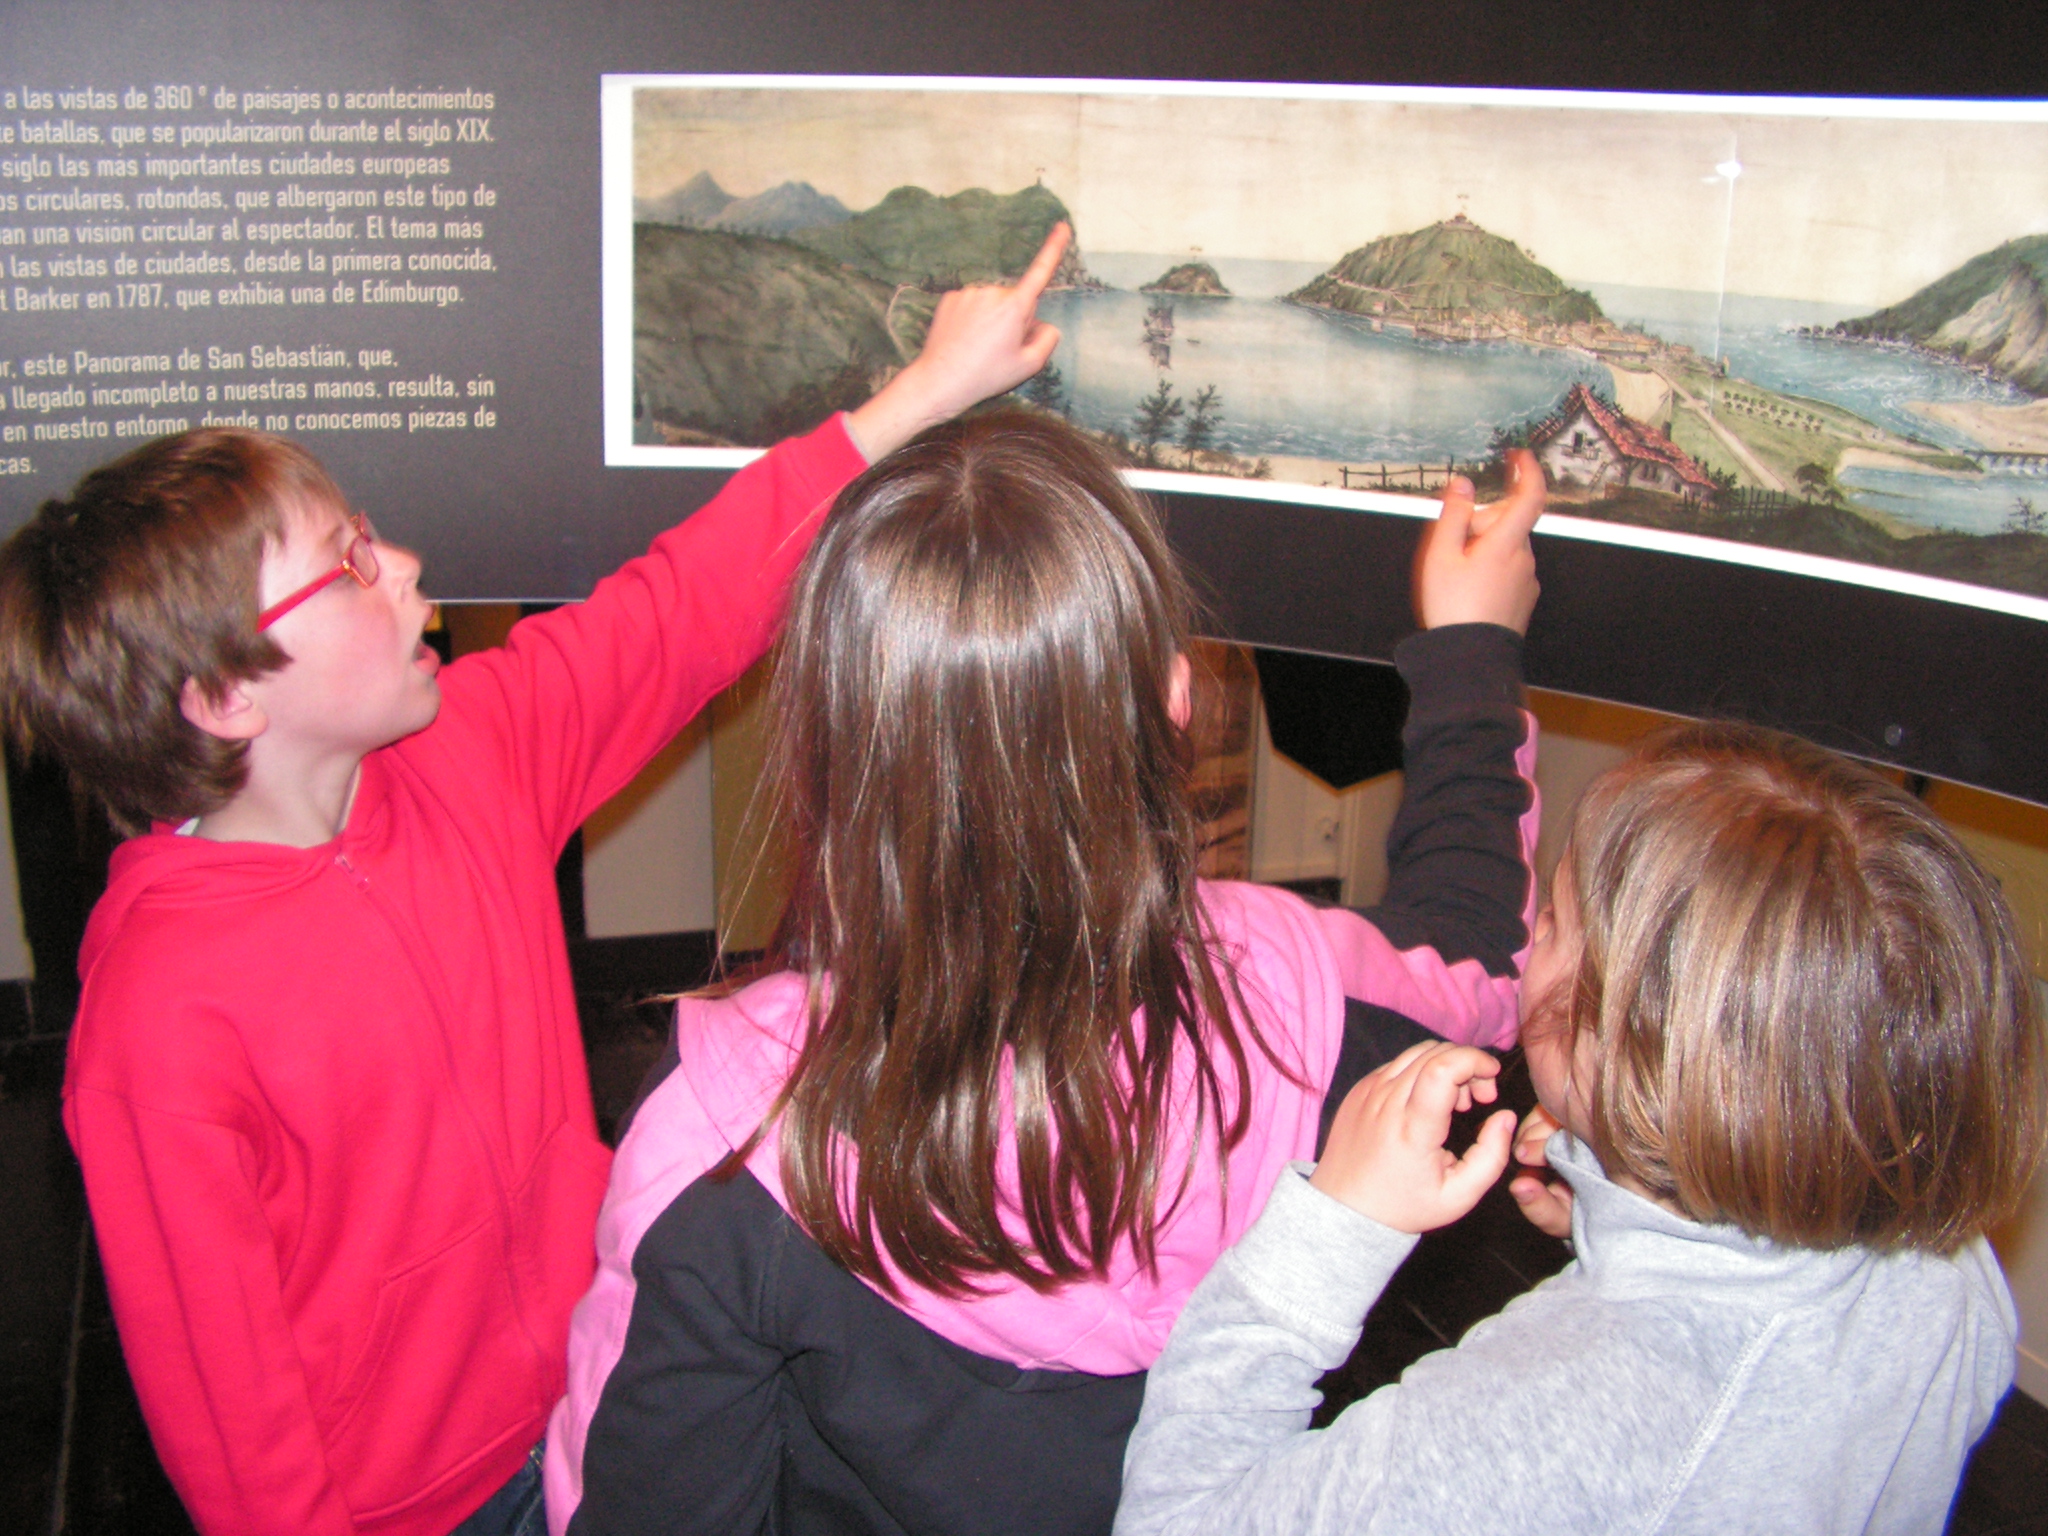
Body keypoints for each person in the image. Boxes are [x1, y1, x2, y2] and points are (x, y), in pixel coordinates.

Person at [0, 225, 1073, 1536]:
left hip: (609, 1388)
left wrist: (926, 393)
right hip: (418, 1510)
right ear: (225, 697)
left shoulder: (468, 754)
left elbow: (683, 606)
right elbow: (230, 1423)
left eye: (369, 535)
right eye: (347, 565)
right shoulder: (161, 1020)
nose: (402, 568)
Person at [545, 415, 1549, 1535]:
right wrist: (1471, 651)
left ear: (826, 749)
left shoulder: (719, 1142)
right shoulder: (1310, 994)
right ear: (1175, 702)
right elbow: (1474, 951)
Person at [1115, 721, 2047, 1535]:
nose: (1533, 941)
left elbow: (1175, 1519)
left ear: (1618, 1040)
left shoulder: (1538, 1427)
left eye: (1555, 919)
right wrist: (1632, 1194)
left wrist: (1333, 1229)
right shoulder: (1946, 1270)